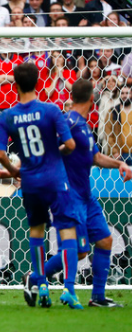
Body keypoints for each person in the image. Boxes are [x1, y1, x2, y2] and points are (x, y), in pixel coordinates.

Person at [0, 63, 81, 309]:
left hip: (30, 182)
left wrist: (15, 171)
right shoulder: (52, 110)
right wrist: (55, 150)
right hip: (55, 180)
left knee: (36, 232)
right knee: (67, 232)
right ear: (38, 81)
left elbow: (1, 154)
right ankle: (69, 289)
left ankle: (42, 284)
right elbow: (71, 145)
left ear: (15, 84)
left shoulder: (7, 116)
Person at [42, 80, 131, 307]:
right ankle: (36, 276)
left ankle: (98, 297)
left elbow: (95, 157)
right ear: (92, 99)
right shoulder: (68, 123)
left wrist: (119, 163)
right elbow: (49, 150)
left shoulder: (83, 125)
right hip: (70, 197)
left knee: (105, 240)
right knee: (79, 253)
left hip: (86, 196)